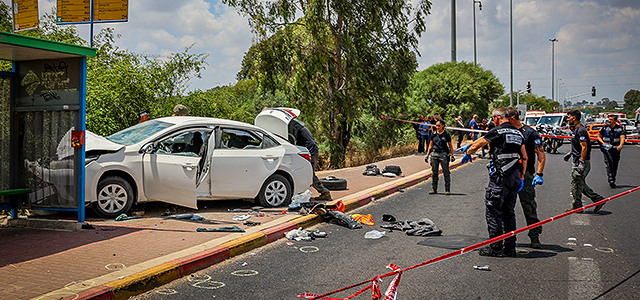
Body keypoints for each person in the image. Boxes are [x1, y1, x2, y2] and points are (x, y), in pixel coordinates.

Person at [458, 107, 527, 257]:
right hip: (514, 177)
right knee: (509, 213)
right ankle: (510, 247)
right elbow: (525, 157)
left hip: (500, 179)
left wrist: (469, 152)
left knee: (494, 212)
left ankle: (495, 247)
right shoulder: (518, 133)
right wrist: (521, 176)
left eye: (492, 118)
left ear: (497, 117)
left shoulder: (498, 131)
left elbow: (478, 144)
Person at [507, 107, 546, 249]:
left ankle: (535, 236)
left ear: (512, 118)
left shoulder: (530, 133)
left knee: (529, 206)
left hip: (526, 175)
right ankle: (508, 238)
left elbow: (541, 154)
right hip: (508, 175)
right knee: (506, 208)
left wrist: (539, 174)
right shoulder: (506, 130)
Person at [564, 110, 606, 212]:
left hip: (581, 161)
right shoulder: (576, 130)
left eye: (569, 117)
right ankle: (596, 200)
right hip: (577, 159)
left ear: (574, 118)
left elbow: (584, 147)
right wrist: (570, 153)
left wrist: (582, 162)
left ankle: (578, 206)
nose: (567, 119)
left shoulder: (581, 130)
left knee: (576, 184)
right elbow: (578, 146)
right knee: (579, 184)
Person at [288, 118, 332, 200]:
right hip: (310, 151)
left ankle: (325, 192)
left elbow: (310, 143)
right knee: (304, 173)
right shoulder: (301, 129)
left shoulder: (301, 130)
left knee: (310, 174)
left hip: (311, 152)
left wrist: (308, 155)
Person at [425, 119, 455, 195]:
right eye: (436, 125)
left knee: (446, 172)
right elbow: (430, 145)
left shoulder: (446, 134)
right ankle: (434, 189)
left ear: (443, 126)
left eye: (439, 126)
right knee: (434, 172)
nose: (437, 127)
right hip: (434, 154)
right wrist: (427, 155)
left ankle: (447, 189)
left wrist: (452, 155)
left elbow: (450, 145)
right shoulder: (433, 134)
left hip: (443, 154)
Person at [596, 115, 626, 188]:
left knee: (615, 164)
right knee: (609, 162)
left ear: (615, 121)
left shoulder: (620, 128)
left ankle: (613, 178)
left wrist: (621, 145)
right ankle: (610, 179)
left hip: (616, 149)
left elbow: (622, 137)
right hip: (606, 149)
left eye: (611, 120)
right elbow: (599, 137)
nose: (609, 121)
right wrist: (603, 143)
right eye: (609, 119)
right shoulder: (605, 128)